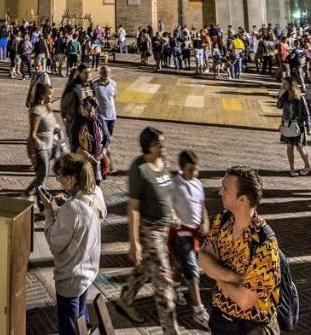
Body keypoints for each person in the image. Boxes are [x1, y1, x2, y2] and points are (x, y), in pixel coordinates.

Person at [198, 166, 282, 335]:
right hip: (221, 319)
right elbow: (201, 257)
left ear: (242, 199)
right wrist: (231, 277)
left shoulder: (265, 245)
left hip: (251, 327)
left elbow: (244, 301)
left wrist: (215, 272)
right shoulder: (223, 221)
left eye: (225, 188)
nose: (220, 192)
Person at [116, 126, 179, 334]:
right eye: (161, 142)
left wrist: (173, 215)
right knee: (164, 282)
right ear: (151, 146)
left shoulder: (164, 162)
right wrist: (134, 241)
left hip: (164, 228)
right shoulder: (139, 169)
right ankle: (170, 330)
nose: (165, 145)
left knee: (146, 268)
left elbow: (168, 191)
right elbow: (133, 208)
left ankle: (125, 299)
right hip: (150, 230)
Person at [40, 153, 105, 335]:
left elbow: (54, 242)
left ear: (70, 178)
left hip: (71, 275)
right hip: (88, 269)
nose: (58, 180)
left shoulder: (72, 208)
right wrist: (68, 201)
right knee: (81, 318)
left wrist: (48, 210)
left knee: (69, 327)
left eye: (60, 177)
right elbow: (90, 217)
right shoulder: (96, 193)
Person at [170, 150, 210, 329]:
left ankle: (174, 287)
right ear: (182, 168)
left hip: (194, 234)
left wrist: (205, 221)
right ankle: (198, 311)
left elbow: (202, 206)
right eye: (190, 170)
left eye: (196, 169)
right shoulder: (175, 185)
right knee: (193, 270)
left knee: (180, 263)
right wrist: (173, 217)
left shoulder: (198, 184)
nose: (194, 173)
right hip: (181, 235)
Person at [25, 81, 62, 197]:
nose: (52, 97)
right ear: (42, 95)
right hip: (41, 148)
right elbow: (32, 134)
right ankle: (41, 204)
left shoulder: (47, 107)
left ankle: (29, 193)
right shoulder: (36, 111)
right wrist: (33, 155)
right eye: (49, 94)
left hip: (50, 145)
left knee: (42, 175)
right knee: (42, 177)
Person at [277, 79, 311, 176]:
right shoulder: (284, 96)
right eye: (283, 83)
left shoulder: (300, 98)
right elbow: (278, 106)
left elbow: (306, 113)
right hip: (287, 124)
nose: (283, 85)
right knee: (289, 147)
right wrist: (280, 95)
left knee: (300, 147)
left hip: (298, 125)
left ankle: (307, 166)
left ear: (291, 85)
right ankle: (292, 168)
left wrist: (308, 127)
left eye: (285, 83)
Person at [95, 65, 118, 146]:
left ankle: (104, 150)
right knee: (105, 135)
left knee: (108, 135)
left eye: (108, 72)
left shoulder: (113, 83)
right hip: (101, 115)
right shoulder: (95, 84)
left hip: (112, 115)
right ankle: (104, 152)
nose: (106, 74)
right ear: (100, 73)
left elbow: (114, 96)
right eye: (104, 72)